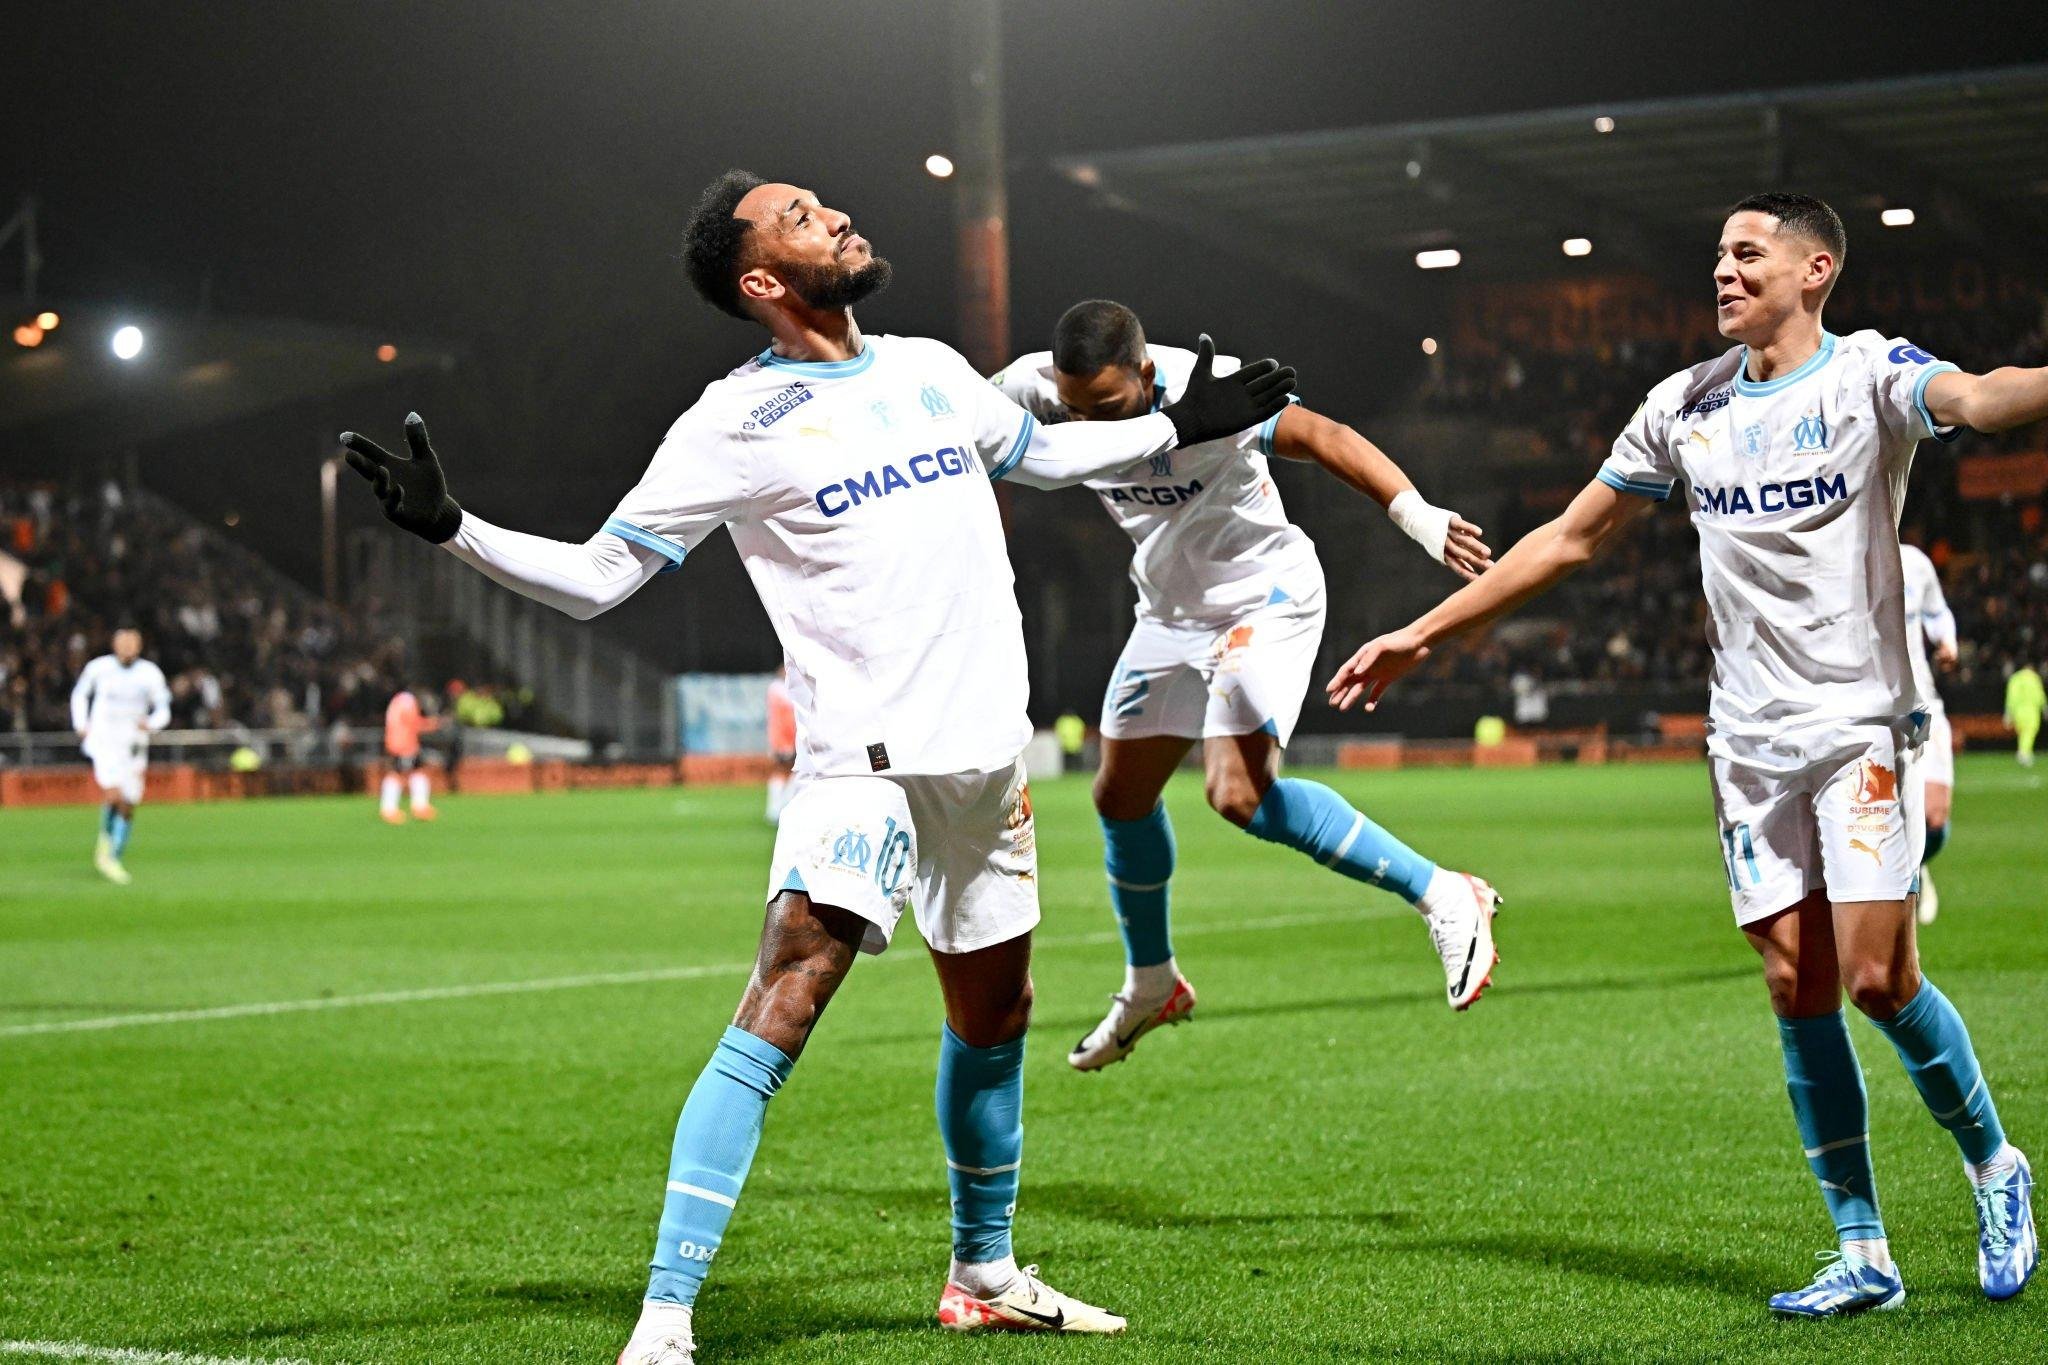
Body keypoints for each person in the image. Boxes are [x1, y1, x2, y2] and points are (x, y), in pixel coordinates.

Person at [338, 169, 1293, 1364]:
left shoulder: (931, 369)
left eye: (823, 206)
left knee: (995, 1015)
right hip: (867, 766)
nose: (834, 216)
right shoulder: (728, 426)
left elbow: (1045, 459)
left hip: (984, 762)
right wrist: (453, 529)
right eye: (801, 219)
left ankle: (982, 1272)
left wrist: (1182, 427)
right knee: (787, 993)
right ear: (760, 280)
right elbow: (598, 578)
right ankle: (664, 1318)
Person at [1327, 193, 2041, 1315]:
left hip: (1856, 728)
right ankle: (1861, 1251)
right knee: (1794, 991)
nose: (1720, 271)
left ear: (1814, 272)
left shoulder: (1864, 375)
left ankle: (1994, 1166)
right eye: (1713, 254)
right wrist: (1420, 633)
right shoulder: (1682, 406)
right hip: (1745, 748)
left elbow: (1980, 398)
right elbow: (1568, 537)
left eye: (1745, 254)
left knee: (1875, 980)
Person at [993, 301, 1503, 1072]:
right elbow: (951, 424)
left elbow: (1324, 436)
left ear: (1147, 374)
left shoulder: (1213, 388)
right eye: (1074, 410)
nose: (1086, 424)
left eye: (1103, 409)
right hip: (1167, 608)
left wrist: (1417, 515)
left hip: (1264, 595)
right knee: (1118, 797)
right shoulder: (1033, 387)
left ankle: (1444, 891)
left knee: (1237, 794)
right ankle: (1151, 981)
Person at [69, 627, 170, 885]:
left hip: (133, 744)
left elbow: (163, 708)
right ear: (114, 645)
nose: (126, 648)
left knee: (128, 804)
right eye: (122, 643)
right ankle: (109, 856)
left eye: (131, 643)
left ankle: (112, 849)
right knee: (114, 795)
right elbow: (80, 694)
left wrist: (153, 724)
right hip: (104, 741)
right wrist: (81, 724)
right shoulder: (98, 668)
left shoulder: (150, 673)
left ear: (139, 646)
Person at [1898, 542, 1958, 924]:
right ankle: (1896, 885)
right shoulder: (1842, 553)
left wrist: (1946, 641)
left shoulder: (1915, 563)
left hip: (1918, 709)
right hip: (1870, 707)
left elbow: (1937, 614)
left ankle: (1917, 865)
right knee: (1886, 808)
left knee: (1934, 816)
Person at [381, 686, 438, 823]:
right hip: (404, 744)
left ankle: (419, 806)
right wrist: (432, 724)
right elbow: (412, 722)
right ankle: (389, 809)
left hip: (399, 742)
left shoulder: (398, 700)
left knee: (417, 772)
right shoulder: (407, 701)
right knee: (397, 775)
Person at [763, 667, 796, 823]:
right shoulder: (778, 689)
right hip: (784, 738)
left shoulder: (776, 689)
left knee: (787, 772)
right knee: (787, 770)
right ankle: (779, 808)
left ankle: (777, 808)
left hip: (783, 737)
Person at [2007, 661, 2044, 767]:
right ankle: (2024, 753)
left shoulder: (2015, 678)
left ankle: (2024, 751)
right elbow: (2039, 695)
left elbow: (2011, 696)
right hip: (2032, 710)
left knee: (2023, 732)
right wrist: (2044, 707)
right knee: (2030, 731)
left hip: (2018, 711)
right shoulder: (2034, 678)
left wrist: (2009, 712)